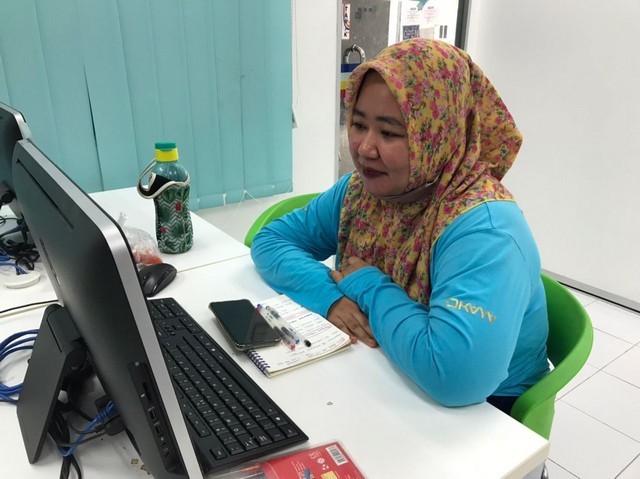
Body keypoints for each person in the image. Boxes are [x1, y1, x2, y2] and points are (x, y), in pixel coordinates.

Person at [251, 38, 549, 413]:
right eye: (358, 124)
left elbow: (457, 377)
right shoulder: (361, 192)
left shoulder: (485, 229)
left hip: (484, 415)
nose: (364, 148)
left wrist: (368, 286)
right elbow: (271, 241)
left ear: (439, 133)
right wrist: (331, 298)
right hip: (387, 372)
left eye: (390, 133)